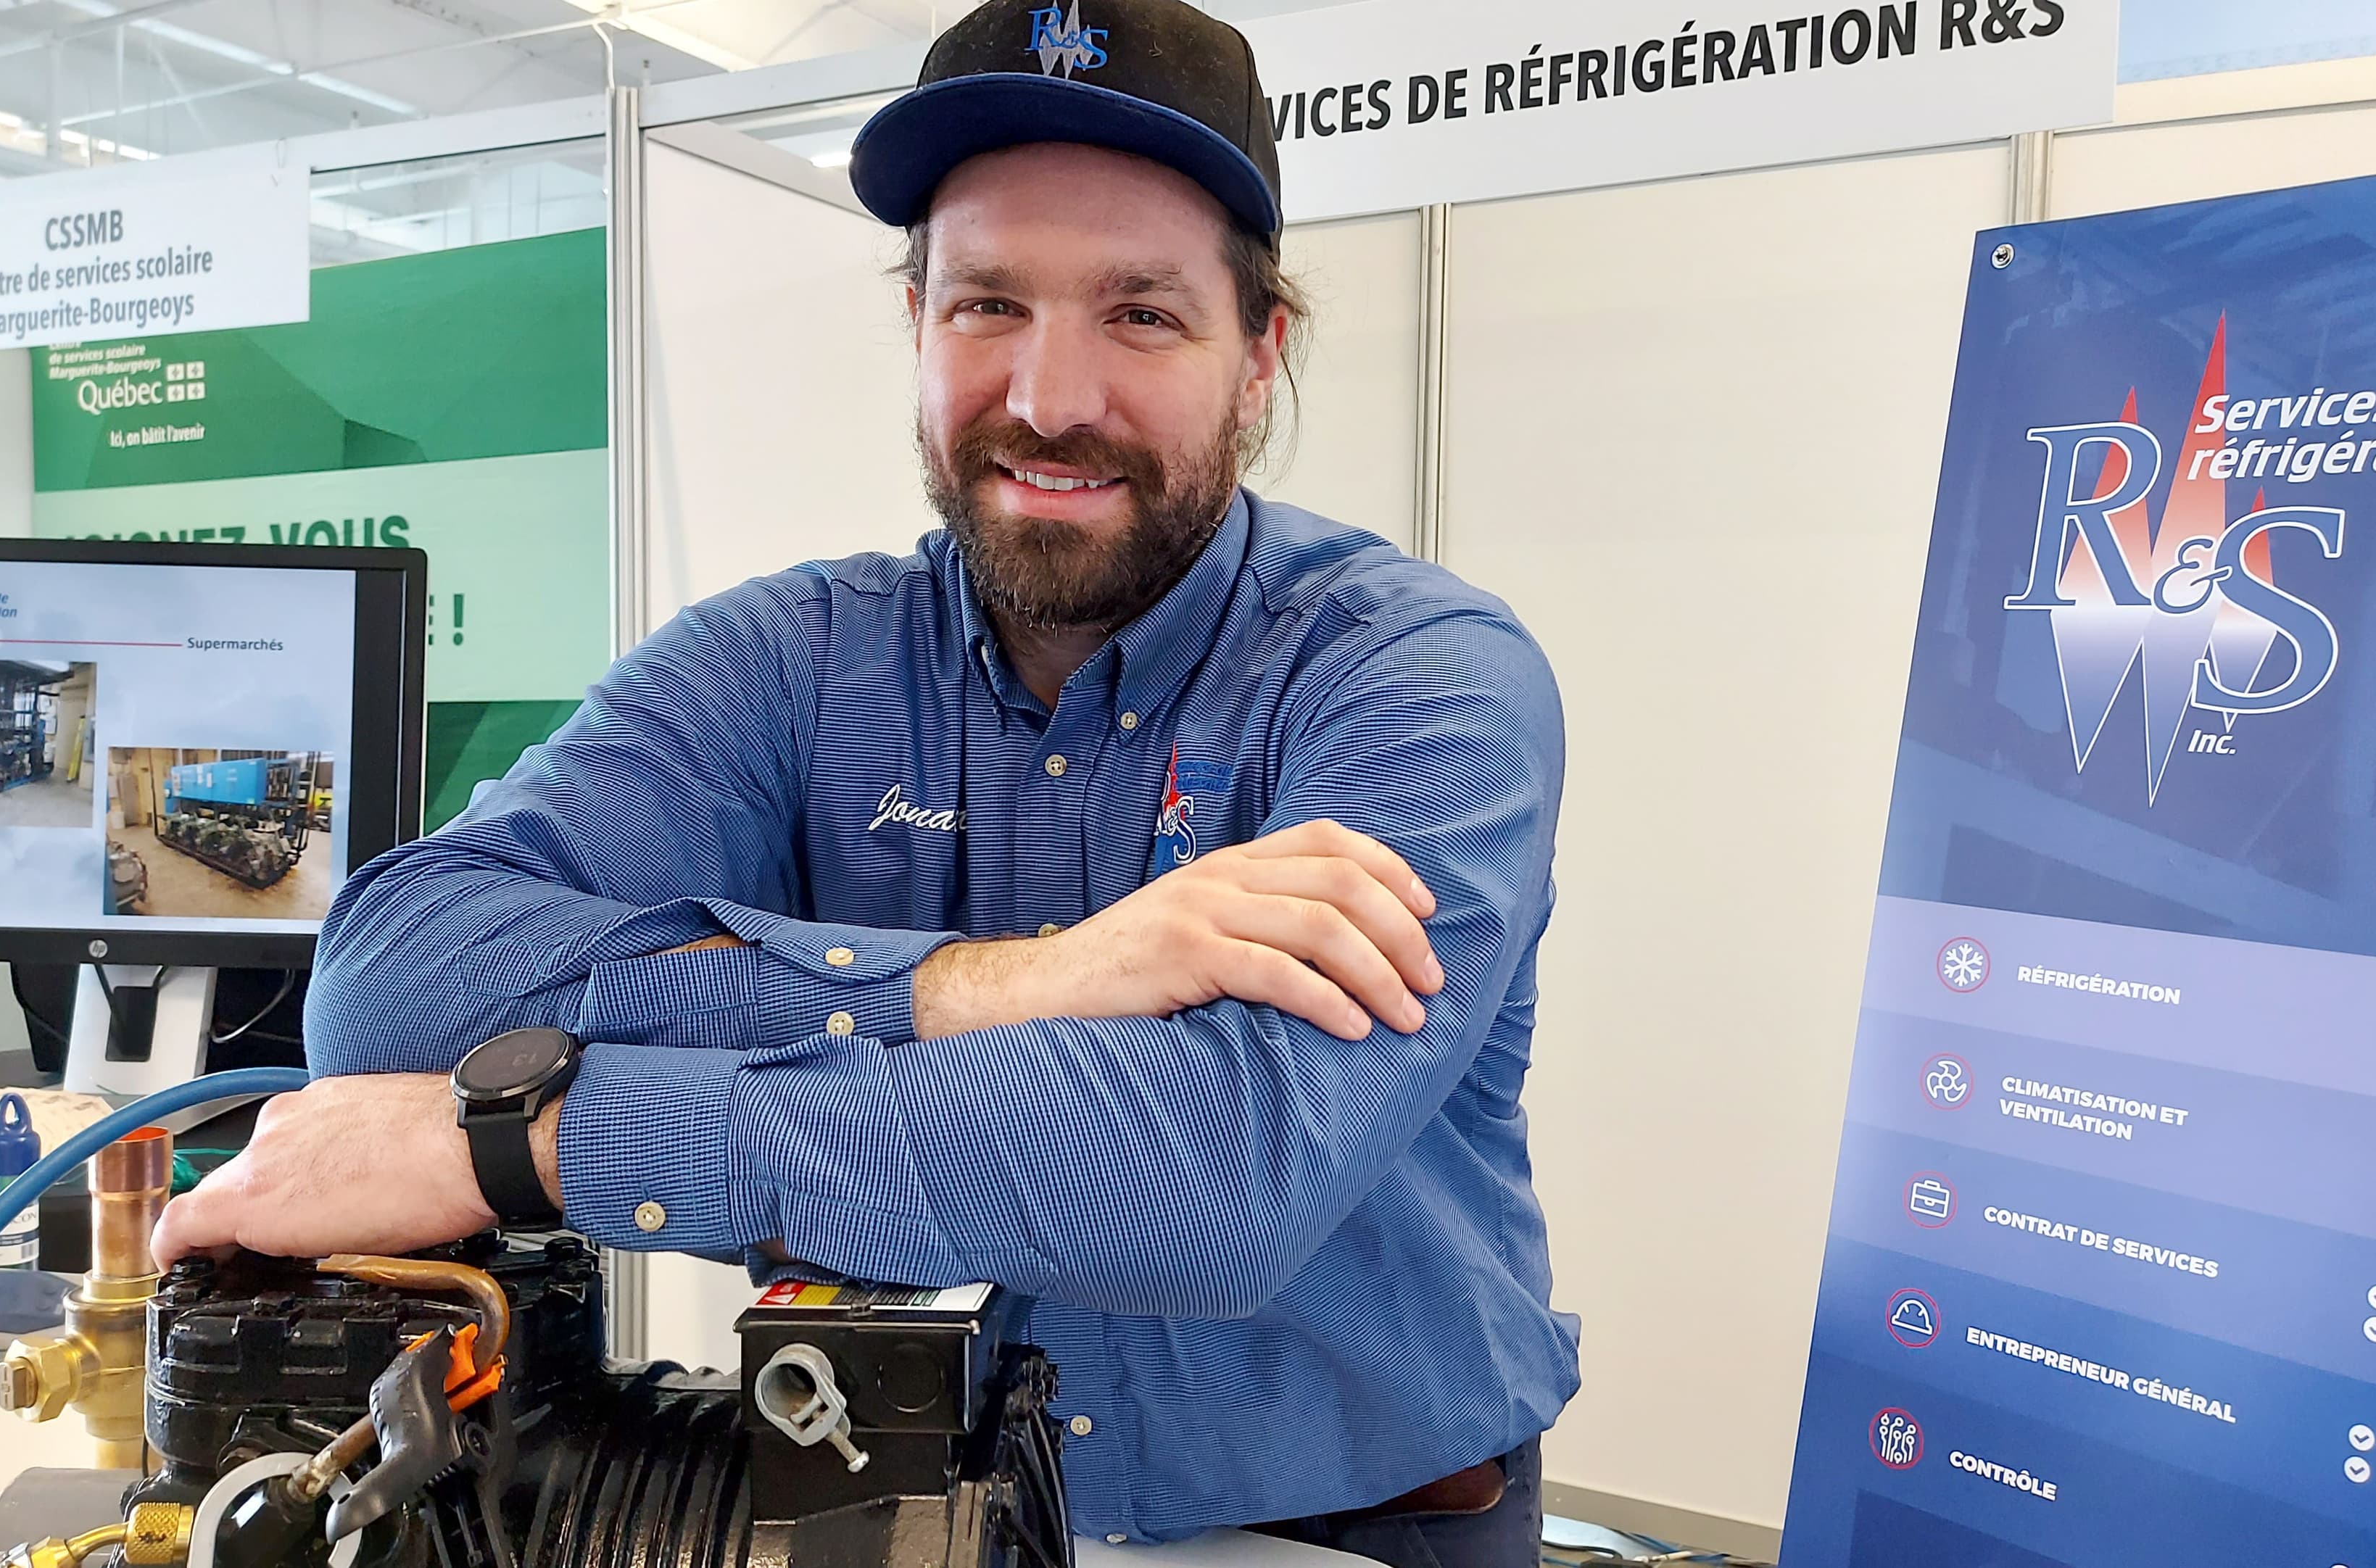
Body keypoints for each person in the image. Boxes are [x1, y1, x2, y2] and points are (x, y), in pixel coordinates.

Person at [152, 3, 1578, 1563]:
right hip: (876, 1504)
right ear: (916, 319)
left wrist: (536, 1138)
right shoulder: (789, 661)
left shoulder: (1414, 679)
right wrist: (995, 983)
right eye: (988, 304)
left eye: (1144, 317)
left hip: (1355, 1525)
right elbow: (396, 983)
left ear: (1261, 356)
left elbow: (1214, 1173)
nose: (1047, 397)